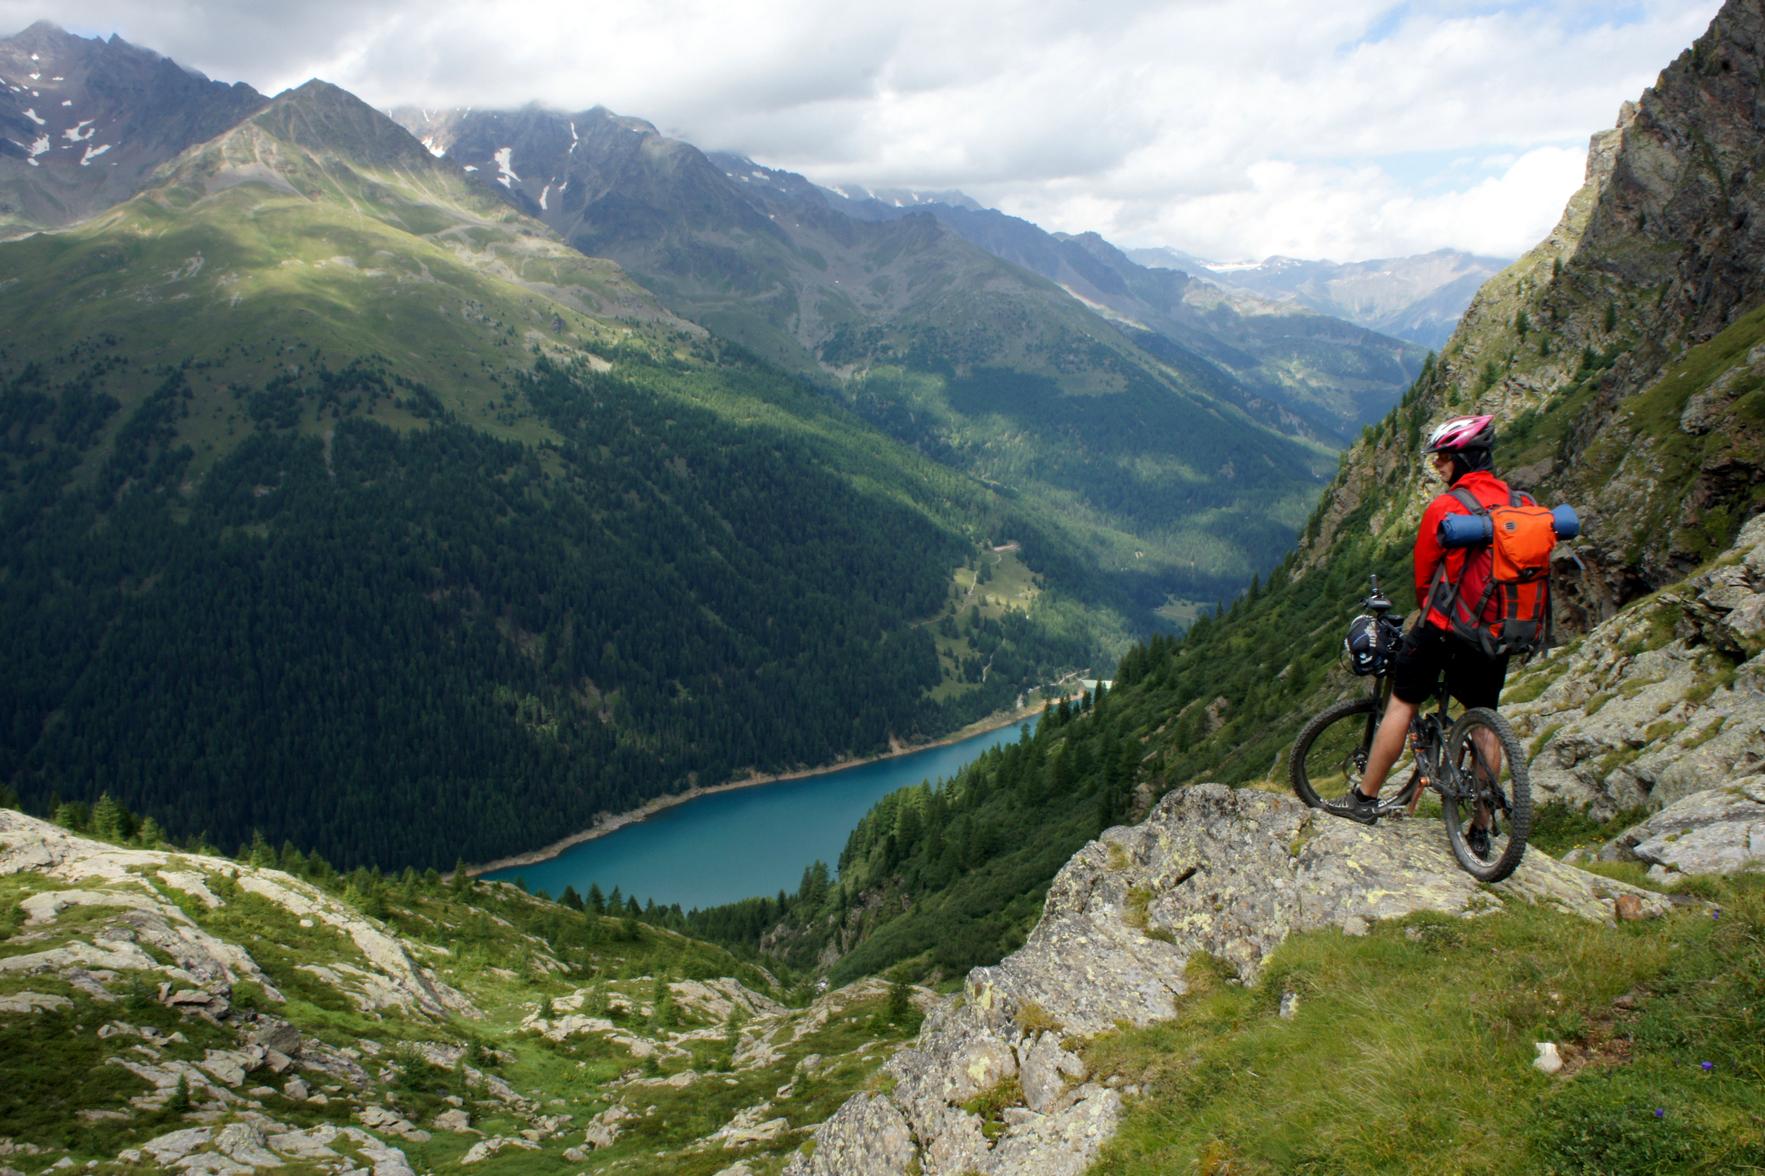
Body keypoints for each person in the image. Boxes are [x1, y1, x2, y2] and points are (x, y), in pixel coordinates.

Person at [1330, 414, 1510, 858]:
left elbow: (1424, 579)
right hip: (1498, 633)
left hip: (1448, 629)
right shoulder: (1517, 502)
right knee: (1484, 716)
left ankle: (1364, 799)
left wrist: (1430, 618)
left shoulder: (1446, 508)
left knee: (1402, 701)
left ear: (1463, 459)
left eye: (1443, 460)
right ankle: (1482, 827)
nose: (1439, 469)